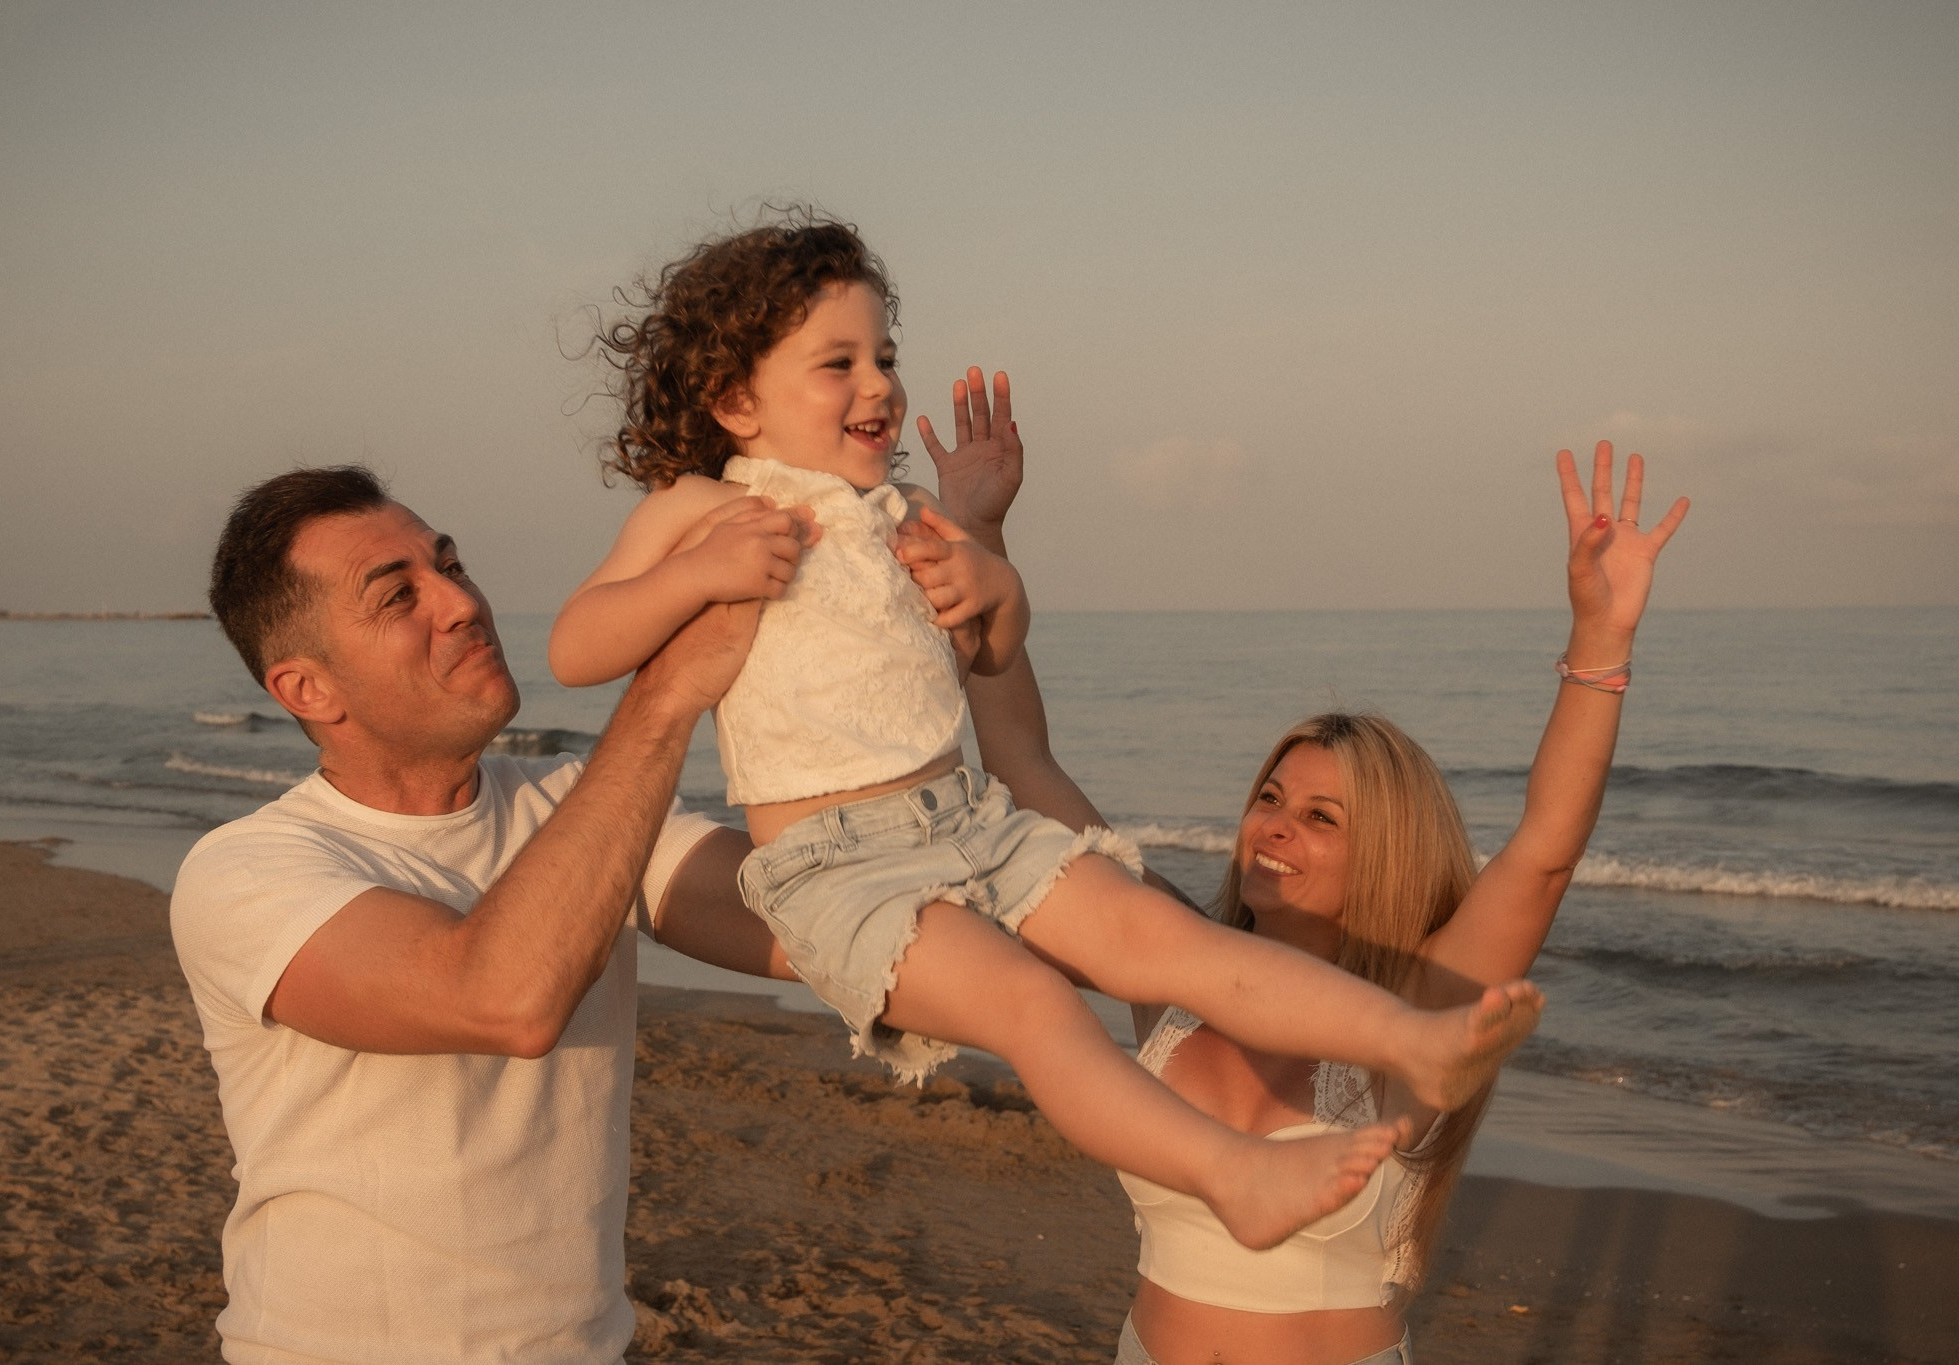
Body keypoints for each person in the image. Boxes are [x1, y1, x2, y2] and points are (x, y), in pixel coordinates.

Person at [547, 211, 1546, 1254]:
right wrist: (688, 578)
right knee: (1032, 1004)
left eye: (884, 356)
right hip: (834, 865)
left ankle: (1411, 1041)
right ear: (732, 400)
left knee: (1167, 941)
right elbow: (576, 646)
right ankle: (1228, 1172)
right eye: (836, 363)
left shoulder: (908, 510)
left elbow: (987, 653)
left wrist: (992, 576)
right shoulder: (698, 510)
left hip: (971, 819)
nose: (879, 385)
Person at [936, 402, 1689, 1364]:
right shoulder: (1166, 963)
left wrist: (1600, 639)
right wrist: (983, 539)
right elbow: (1024, 762)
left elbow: (1542, 853)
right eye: (1272, 797)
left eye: (1321, 817)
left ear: (1387, 854)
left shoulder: (1410, 1010)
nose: (1275, 826)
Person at [170, 465, 795, 1365]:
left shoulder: (576, 803)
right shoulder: (243, 873)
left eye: (450, 564)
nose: (462, 603)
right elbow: (505, 997)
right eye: (398, 597)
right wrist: (666, 689)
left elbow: (813, 924)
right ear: (308, 689)